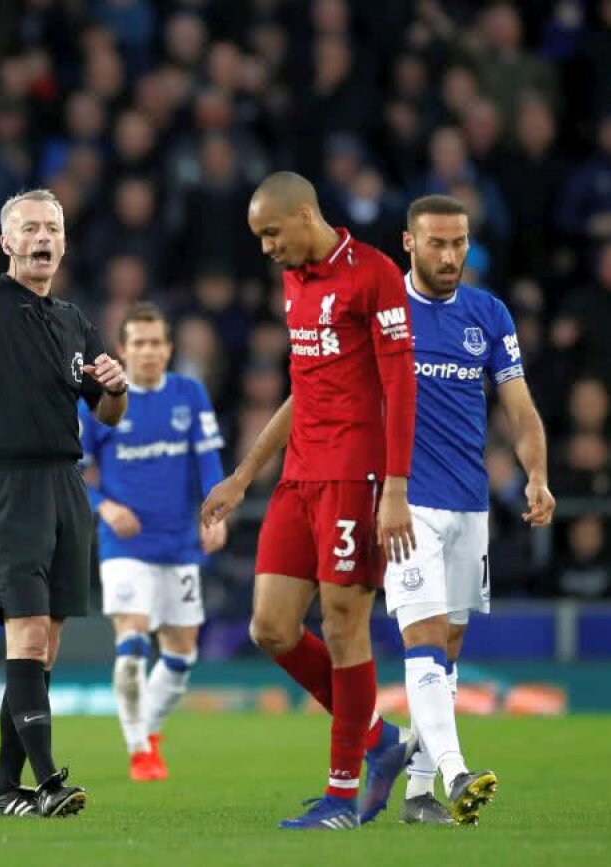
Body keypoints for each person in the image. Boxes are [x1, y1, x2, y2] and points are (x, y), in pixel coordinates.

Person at [202, 172, 416, 831]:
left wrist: (396, 488)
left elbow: (400, 384)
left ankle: (342, 795)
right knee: (270, 627)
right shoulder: (295, 282)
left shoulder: (374, 274)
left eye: (272, 233)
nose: (267, 248)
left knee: (345, 626)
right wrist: (244, 475)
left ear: (304, 215)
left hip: (355, 474)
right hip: (299, 476)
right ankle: (379, 737)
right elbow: (304, 389)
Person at [0, 83, 129, 819]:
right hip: (8, 481)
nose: (42, 236)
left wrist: (114, 388)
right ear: (9, 242)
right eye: (29, 228)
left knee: (43, 643)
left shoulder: (76, 320)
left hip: (64, 483)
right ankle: (48, 781)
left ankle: (2, 790)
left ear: (64, 242)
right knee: (23, 629)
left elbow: (107, 411)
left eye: (52, 226)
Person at [389, 194, 554, 825]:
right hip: (405, 504)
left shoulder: (488, 314)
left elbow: (519, 406)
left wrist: (536, 474)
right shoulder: (386, 313)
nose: (450, 255)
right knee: (425, 636)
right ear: (410, 243)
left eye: (458, 243)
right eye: (436, 243)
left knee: (449, 644)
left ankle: (416, 793)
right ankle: (457, 772)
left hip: (469, 504)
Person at [78, 302, 227, 782]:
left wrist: (215, 512)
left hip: (179, 544)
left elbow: (208, 460)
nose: (149, 352)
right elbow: (74, 471)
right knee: (133, 639)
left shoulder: (188, 393)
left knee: (181, 655)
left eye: (157, 343)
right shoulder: (103, 401)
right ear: (122, 350)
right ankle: (140, 750)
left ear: (169, 348)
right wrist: (105, 507)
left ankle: (147, 731)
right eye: (139, 343)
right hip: (125, 545)